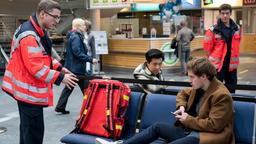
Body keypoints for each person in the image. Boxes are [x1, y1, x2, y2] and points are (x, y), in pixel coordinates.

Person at [96, 57, 234, 144]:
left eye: (192, 77)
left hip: (207, 136)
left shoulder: (221, 95)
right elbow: (182, 94)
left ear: (204, 76)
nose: (189, 80)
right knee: (157, 127)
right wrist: (181, 107)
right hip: (190, 131)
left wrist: (187, 119)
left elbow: (214, 126)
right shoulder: (199, 86)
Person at [1, 0, 78, 144]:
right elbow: (36, 68)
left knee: (27, 131)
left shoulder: (36, 30)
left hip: (26, 91)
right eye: (54, 17)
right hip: (28, 92)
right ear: (42, 14)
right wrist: (61, 77)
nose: (57, 20)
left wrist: (60, 68)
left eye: (59, 17)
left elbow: (43, 57)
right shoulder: (30, 35)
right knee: (33, 134)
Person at [55, 18, 98, 114]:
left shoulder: (74, 35)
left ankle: (60, 107)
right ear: (79, 26)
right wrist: (91, 59)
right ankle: (91, 107)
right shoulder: (76, 37)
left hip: (73, 67)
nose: (85, 27)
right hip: (77, 68)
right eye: (83, 25)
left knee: (70, 87)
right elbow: (77, 53)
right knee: (86, 87)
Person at [203, 4, 241, 93]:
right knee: (215, 90)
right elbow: (207, 50)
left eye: (227, 13)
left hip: (231, 65)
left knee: (231, 89)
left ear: (230, 13)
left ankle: (229, 106)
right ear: (219, 14)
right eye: (223, 13)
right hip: (217, 66)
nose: (225, 16)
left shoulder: (237, 28)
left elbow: (237, 44)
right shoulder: (212, 30)